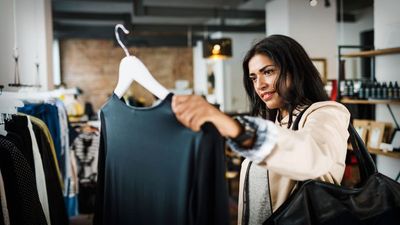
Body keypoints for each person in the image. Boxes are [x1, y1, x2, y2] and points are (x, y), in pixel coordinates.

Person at [172, 35, 350, 225]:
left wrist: (235, 128)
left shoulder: (328, 113)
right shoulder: (273, 123)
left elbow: (311, 154)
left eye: (268, 72)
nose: (259, 85)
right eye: (254, 77)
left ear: (296, 71)